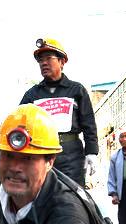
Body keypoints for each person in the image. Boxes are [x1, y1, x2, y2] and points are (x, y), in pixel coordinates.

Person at [20, 38, 98, 186]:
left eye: (49, 58)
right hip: (40, 156)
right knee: (41, 199)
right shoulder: (32, 95)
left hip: (71, 155)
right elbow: (18, 124)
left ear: (62, 62)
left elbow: (89, 123)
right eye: (41, 60)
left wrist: (91, 152)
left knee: (72, 197)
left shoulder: (76, 90)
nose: (43, 63)